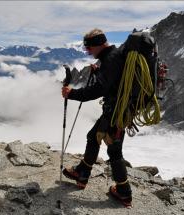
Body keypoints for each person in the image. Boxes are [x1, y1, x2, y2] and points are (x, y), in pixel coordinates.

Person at [61, 28, 132, 207]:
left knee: (114, 151)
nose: (87, 52)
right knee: (93, 137)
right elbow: (113, 81)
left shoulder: (111, 60)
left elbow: (99, 89)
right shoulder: (112, 57)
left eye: (89, 48)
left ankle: (124, 192)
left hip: (117, 111)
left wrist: (72, 93)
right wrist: (99, 71)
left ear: (99, 44)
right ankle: (82, 173)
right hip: (118, 109)